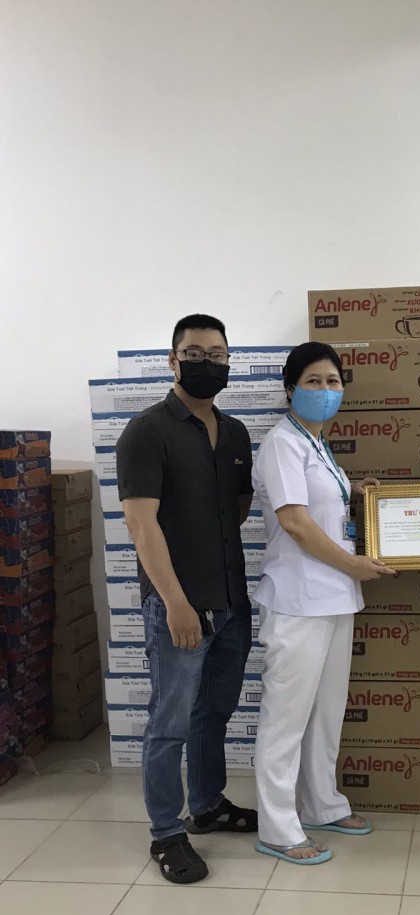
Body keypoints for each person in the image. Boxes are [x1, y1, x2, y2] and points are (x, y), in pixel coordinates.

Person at [117, 313, 258, 885]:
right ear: (173, 361)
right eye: (195, 354)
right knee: (169, 722)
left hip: (231, 601)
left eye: (217, 354)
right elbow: (140, 525)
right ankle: (165, 832)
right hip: (179, 605)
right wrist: (175, 602)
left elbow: (239, 508)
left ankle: (207, 805)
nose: (207, 363)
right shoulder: (147, 431)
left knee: (213, 712)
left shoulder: (237, 433)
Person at [251, 341, 396, 865]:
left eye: (333, 382)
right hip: (298, 598)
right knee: (286, 718)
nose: (326, 390)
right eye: (314, 381)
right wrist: (354, 564)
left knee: (326, 712)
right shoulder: (282, 443)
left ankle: (321, 804)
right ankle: (278, 827)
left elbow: (319, 506)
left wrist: (355, 494)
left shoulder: (316, 443)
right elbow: (294, 521)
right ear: (290, 389)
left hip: (333, 596)